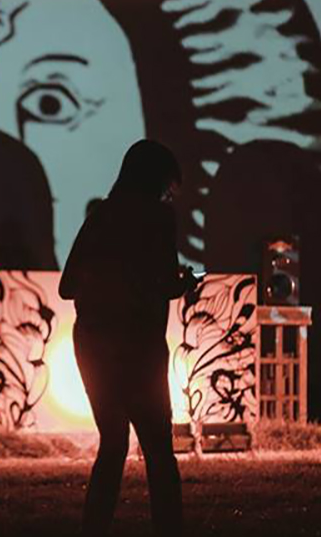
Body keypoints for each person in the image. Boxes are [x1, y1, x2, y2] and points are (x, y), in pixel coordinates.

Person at [60, 139, 199, 537]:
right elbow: (161, 284)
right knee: (158, 452)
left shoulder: (101, 216)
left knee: (113, 445)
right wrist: (183, 283)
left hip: (92, 343)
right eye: (169, 186)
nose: (168, 194)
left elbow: (67, 287)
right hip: (139, 347)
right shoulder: (158, 218)